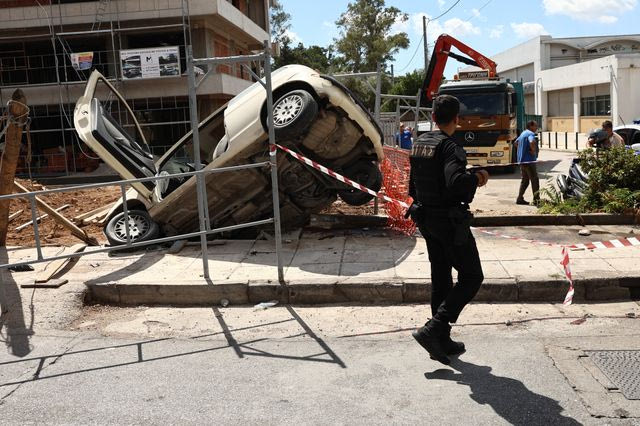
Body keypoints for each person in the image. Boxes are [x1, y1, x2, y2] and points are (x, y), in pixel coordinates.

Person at [407, 94, 489, 365]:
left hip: (426, 219)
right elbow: (455, 182)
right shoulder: (450, 147)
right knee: (472, 276)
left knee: (441, 278)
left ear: (432, 117)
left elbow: (412, 188)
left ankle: (439, 342)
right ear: (457, 119)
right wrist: (476, 177)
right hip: (448, 223)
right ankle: (435, 328)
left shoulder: (420, 143)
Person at [515, 120, 540, 206]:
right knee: (535, 180)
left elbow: (516, 143)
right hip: (529, 161)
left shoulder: (523, 133)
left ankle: (519, 198)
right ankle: (537, 200)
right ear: (531, 126)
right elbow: (532, 142)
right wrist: (532, 151)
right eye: (535, 126)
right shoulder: (530, 134)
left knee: (525, 180)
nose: (536, 128)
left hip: (522, 161)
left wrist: (521, 151)